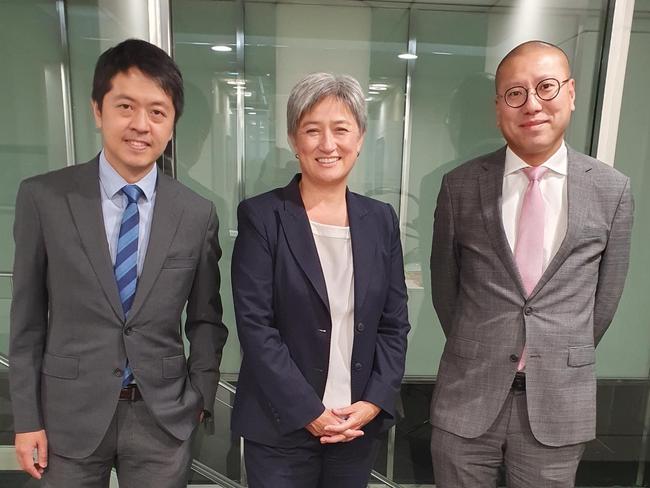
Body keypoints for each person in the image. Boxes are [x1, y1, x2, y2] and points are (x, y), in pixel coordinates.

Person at [9, 38, 228, 488]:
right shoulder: (45, 198)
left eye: (157, 112)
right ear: (97, 110)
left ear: (171, 123)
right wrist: (27, 418)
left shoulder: (196, 213)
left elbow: (206, 319)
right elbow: (27, 320)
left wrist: (200, 396)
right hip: (68, 415)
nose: (140, 125)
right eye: (125, 106)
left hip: (162, 418)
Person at [429, 40, 633, 487]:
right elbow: (447, 291)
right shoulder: (459, 186)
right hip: (467, 399)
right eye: (515, 93)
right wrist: (483, 345)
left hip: (557, 404)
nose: (532, 104)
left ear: (572, 94)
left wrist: (554, 352)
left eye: (546, 87)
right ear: (498, 106)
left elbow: (604, 300)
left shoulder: (610, 190)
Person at [231, 72, 410, 487]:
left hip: (355, 424)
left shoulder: (380, 219)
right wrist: (308, 412)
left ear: (361, 137)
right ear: (295, 140)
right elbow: (256, 326)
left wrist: (373, 402)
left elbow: (393, 323)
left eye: (341, 129)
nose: (328, 144)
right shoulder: (262, 216)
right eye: (312, 130)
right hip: (281, 427)